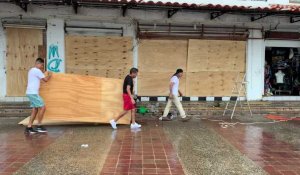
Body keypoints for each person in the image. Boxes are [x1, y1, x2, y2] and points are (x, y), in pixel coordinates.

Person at [25, 58, 52, 134]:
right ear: (38, 64)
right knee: (43, 107)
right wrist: (50, 75)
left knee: (35, 109)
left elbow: (42, 73)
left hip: (31, 92)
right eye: (42, 65)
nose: (42, 67)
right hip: (33, 93)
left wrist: (44, 72)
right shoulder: (37, 71)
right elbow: (45, 80)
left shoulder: (32, 70)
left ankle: (29, 127)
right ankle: (39, 126)